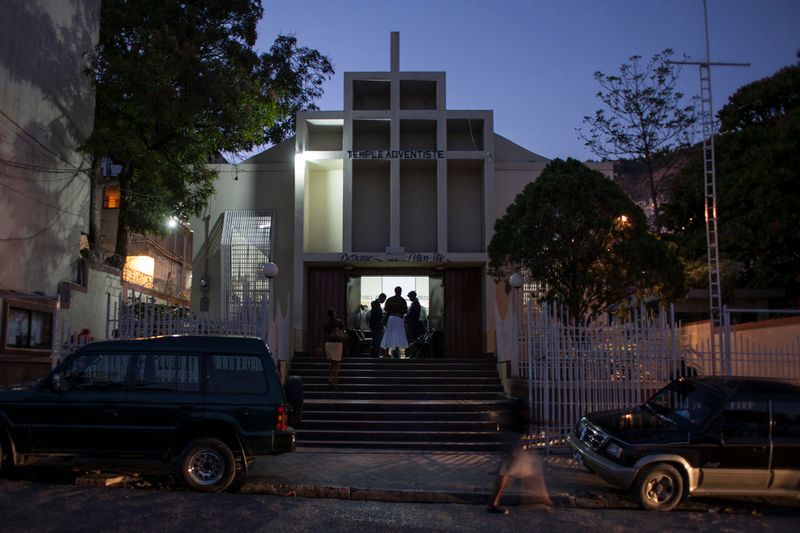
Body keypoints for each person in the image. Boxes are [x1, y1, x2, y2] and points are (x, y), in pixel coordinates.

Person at [487, 397, 552, 514]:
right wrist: (546, 422)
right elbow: (528, 419)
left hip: (514, 440)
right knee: (506, 472)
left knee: (516, 471)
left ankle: (539, 498)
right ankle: (494, 503)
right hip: (513, 440)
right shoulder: (519, 404)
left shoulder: (517, 403)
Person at [380, 286, 408, 359]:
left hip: (391, 318)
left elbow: (386, 309)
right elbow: (405, 311)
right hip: (399, 319)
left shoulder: (390, 299)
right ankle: (396, 349)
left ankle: (386, 352)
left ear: (395, 291)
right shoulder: (403, 300)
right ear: (400, 291)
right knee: (398, 335)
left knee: (389, 335)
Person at [323, 308, 346, 386]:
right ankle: (335, 379)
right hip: (337, 344)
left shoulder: (326, 323)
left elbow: (325, 334)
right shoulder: (339, 322)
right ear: (334, 313)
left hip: (329, 343)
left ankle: (330, 377)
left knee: (331, 362)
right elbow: (342, 332)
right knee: (337, 363)